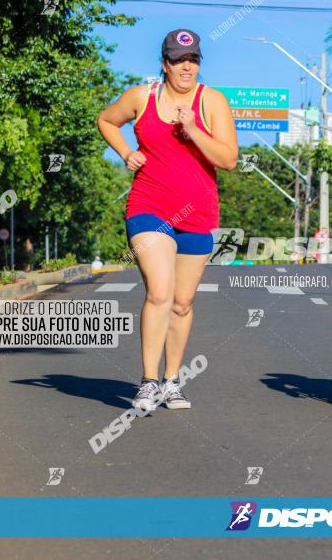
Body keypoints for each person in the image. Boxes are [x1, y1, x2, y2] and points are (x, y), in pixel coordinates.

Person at [97, 29, 238, 411]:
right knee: (159, 291)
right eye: (178, 60)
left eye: (193, 59)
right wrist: (126, 152)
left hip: (198, 212)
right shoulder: (141, 98)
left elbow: (227, 160)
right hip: (148, 206)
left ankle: (171, 381)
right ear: (164, 64)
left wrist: (193, 130)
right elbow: (107, 120)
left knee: (181, 302)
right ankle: (147, 381)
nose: (186, 66)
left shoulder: (212, 102)